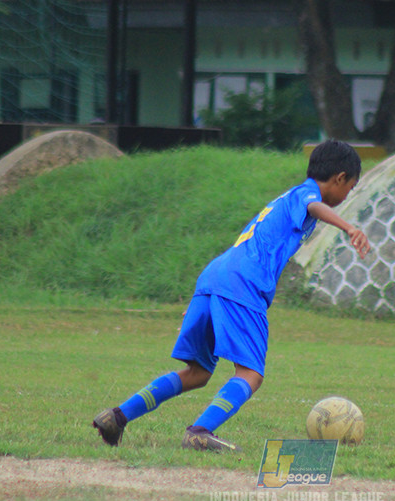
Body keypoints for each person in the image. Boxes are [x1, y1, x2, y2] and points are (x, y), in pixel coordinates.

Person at [93, 140, 371, 452]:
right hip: (242, 283)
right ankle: (199, 431)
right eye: (351, 187)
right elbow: (313, 206)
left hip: (215, 279)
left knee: (197, 373)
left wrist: (207, 299)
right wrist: (348, 228)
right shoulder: (306, 194)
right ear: (340, 177)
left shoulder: (286, 199)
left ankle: (117, 417)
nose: (348, 195)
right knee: (251, 373)